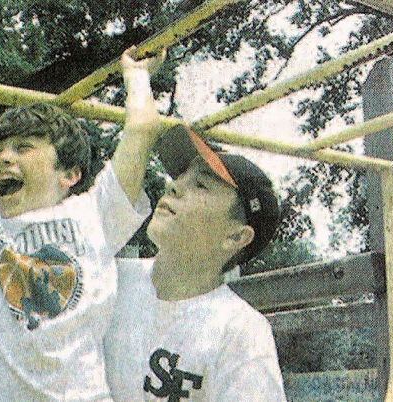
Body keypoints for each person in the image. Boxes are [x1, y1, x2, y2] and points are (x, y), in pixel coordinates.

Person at [0, 3, 164, 401]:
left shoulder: (97, 213)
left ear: (69, 174)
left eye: (24, 147)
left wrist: (138, 76)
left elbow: (142, 129)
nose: (4, 157)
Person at [104, 125, 287, 401]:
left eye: (201, 185)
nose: (173, 185)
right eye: (181, 176)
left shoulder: (240, 332)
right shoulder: (108, 279)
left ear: (235, 236)